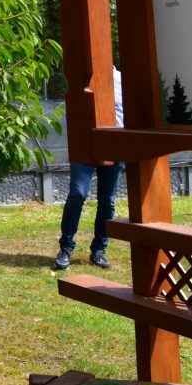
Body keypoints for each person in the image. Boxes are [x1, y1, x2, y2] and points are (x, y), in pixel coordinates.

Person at [53, 67, 124, 271]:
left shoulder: (121, 80)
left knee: (107, 201)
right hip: (84, 146)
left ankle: (99, 250)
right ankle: (66, 248)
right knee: (77, 194)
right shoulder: (79, 79)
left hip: (112, 145)